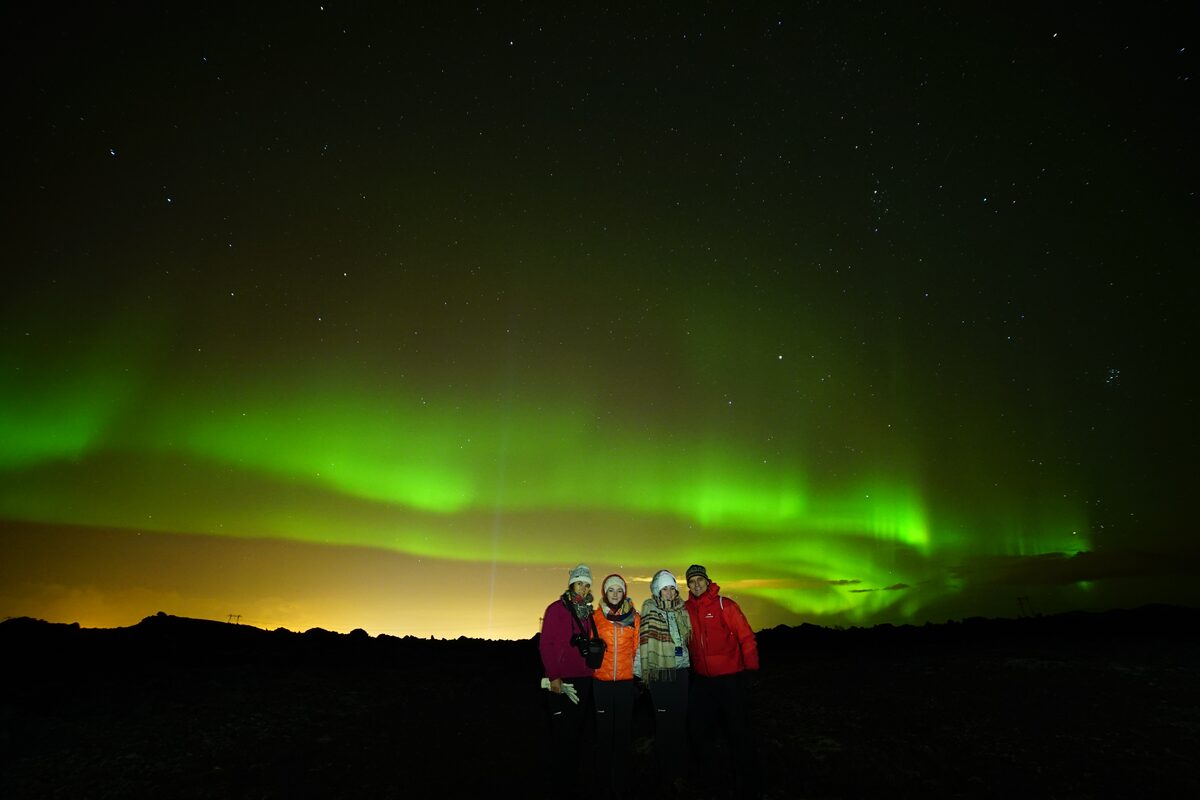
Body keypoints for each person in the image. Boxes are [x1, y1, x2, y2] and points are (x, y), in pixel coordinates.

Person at [684, 563, 761, 799]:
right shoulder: (686, 609)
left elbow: (746, 638)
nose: (696, 585)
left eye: (700, 580)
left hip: (730, 679)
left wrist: (751, 670)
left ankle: (747, 781)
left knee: (737, 730)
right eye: (692, 582)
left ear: (708, 581)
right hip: (703, 681)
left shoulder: (724, 605)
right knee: (697, 728)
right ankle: (710, 777)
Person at [634, 569, 692, 796]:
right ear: (657, 590)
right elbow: (643, 646)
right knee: (664, 725)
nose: (668, 592)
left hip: (680, 674)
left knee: (679, 723)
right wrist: (639, 676)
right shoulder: (648, 611)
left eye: (671, 588)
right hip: (659, 675)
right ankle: (666, 774)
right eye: (664, 588)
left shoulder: (682, 611)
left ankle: (680, 771)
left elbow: (686, 644)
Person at [538, 564, 596, 791]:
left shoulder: (588, 613)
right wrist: (554, 676)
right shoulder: (555, 609)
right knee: (562, 732)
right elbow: (546, 644)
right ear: (571, 583)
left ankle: (573, 780)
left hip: (584, 678)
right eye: (580, 583)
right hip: (561, 679)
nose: (583, 588)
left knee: (577, 731)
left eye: (587, 584)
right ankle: (559, 782)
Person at [592, 573, 640, 800]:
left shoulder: (635, 618)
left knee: (622, 735)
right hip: (601, 683)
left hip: (625, 683)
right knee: (604, 735)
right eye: (611, 590)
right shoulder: (595, 617)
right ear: (604, 593)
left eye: (619, 590)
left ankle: (620, 783)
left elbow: (637, 648)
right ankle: (602, 783)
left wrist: (637, 674)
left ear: (624, 594)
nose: (615, 594)